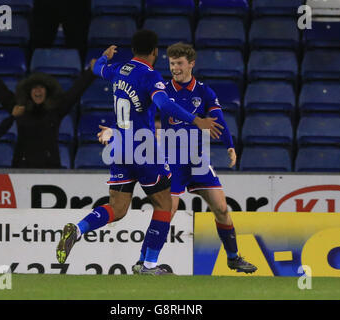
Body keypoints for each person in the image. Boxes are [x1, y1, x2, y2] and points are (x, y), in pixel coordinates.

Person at [55, 30, 223, 275]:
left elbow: (96, 68)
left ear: (133, 50)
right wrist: (196, 120)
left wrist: (104, 56)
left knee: (118, 208)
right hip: (143, 150)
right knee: (165, 205)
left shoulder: (118, 69)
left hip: (119, 149)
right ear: (155, 52)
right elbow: (165, 104)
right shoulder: (150, 76)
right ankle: (148, 265)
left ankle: (79, 229)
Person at [99, 42, 257, 274]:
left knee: (222, 208)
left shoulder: (203, 91)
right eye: (172, 63)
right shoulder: (160, 88)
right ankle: (143, 261)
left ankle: (233, 258)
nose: (175, 68)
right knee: (167, 210)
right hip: (172, 160)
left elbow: (218, 119)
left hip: (198, 160)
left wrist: (230, 146)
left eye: (180, 63)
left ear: (191, 64)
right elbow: (135, 115)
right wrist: (115, 131)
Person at [0, 56, 97, 169]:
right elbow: (1, 90)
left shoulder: (56, 109)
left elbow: (75, 92)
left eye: (41, 88)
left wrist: (91, 72)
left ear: (47, 91)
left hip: (50, 166)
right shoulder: (20, 108)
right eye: (34, 88)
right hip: (22, 166)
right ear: (28, 92)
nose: (38, 91)